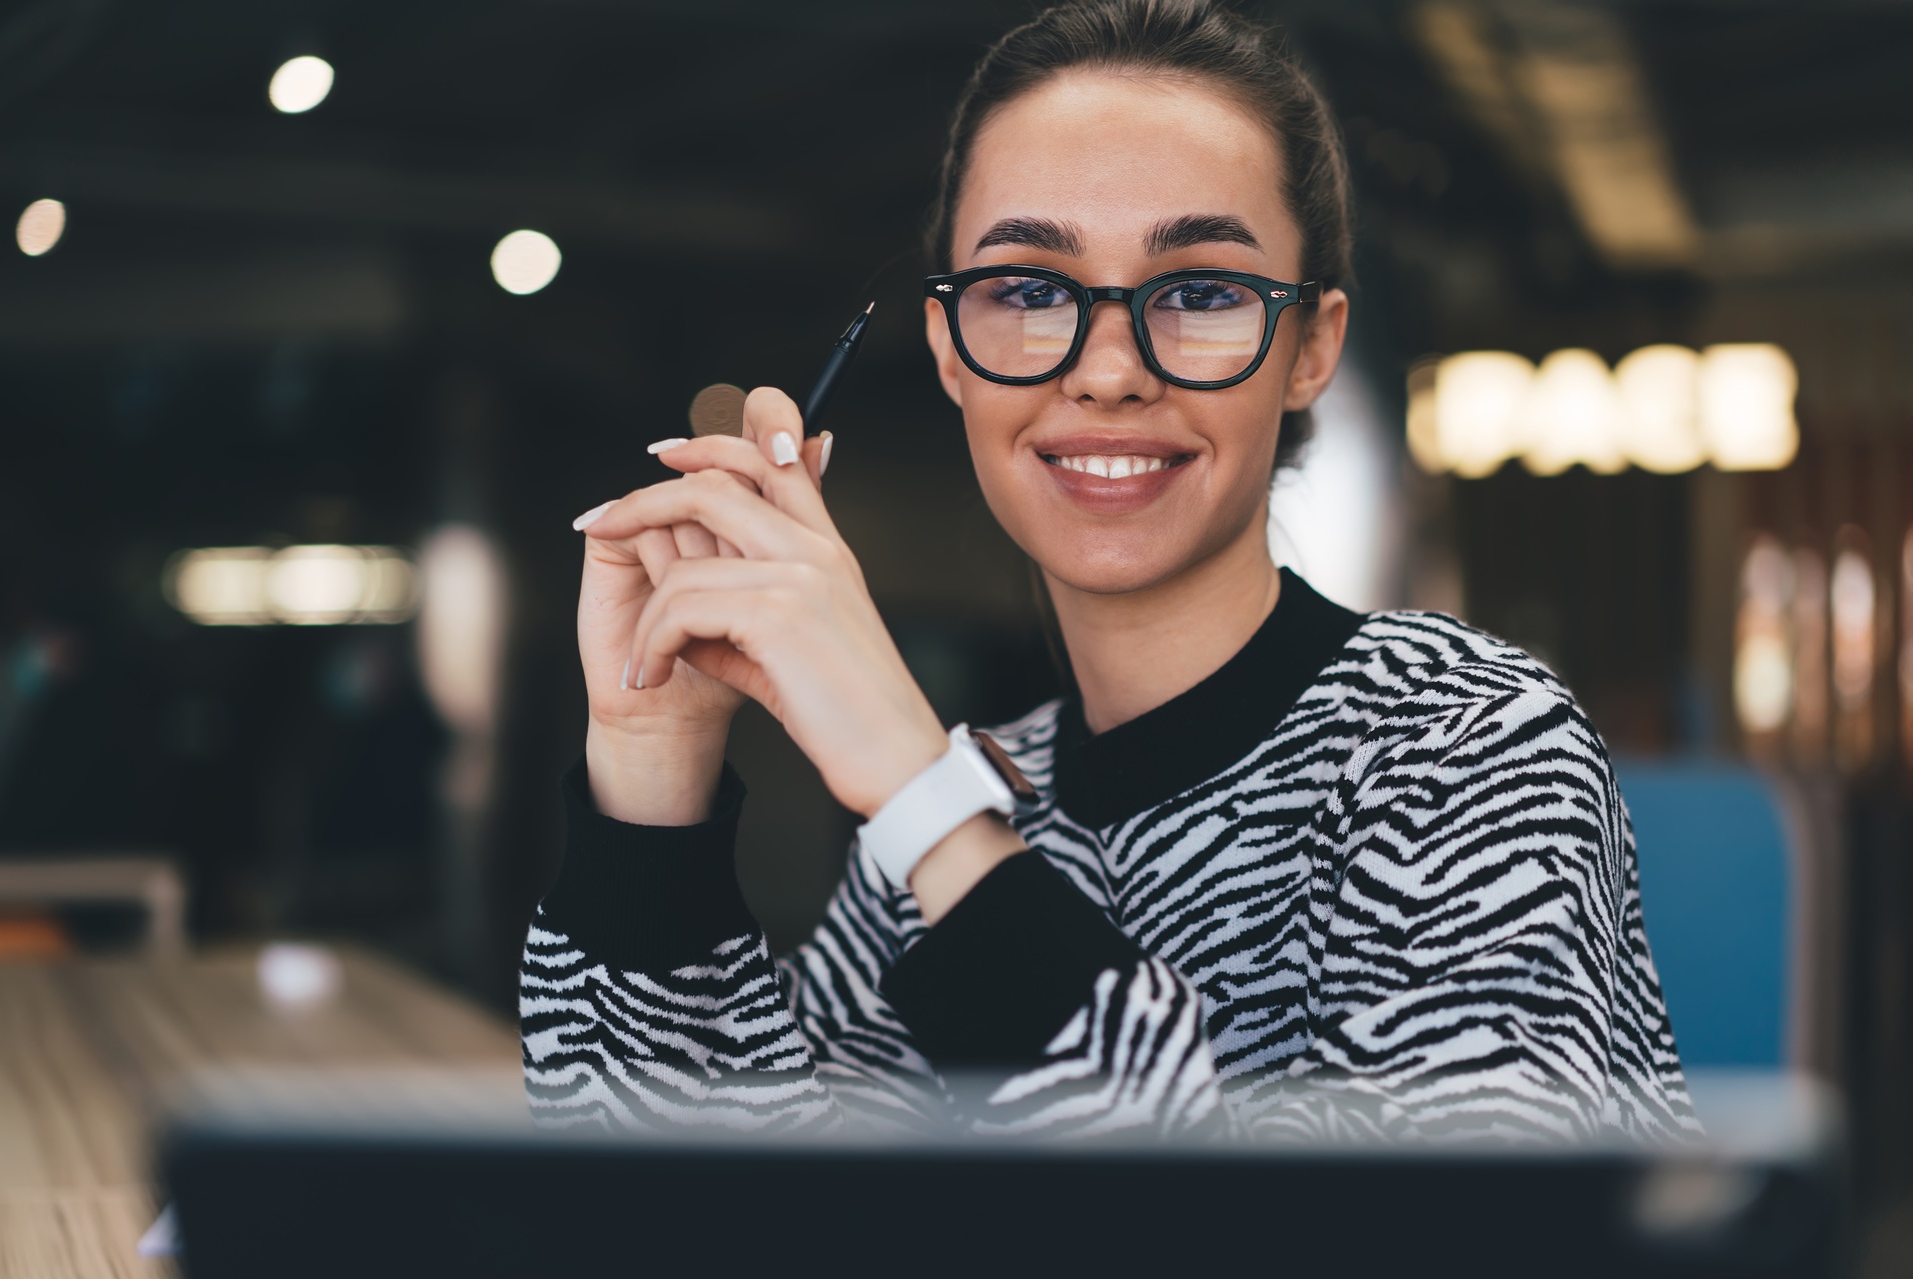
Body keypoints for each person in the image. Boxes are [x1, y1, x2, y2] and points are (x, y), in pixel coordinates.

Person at [521, 0, 1697, 1142]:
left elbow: (1409, 1267)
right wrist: (651, 774)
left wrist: (921, 790)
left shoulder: (1463, 741)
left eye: (1196, 292)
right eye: (1030, 289)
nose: (1107, 372)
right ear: (948, 351)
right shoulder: (972, 803)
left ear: (1310, 347)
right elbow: (702, 1237)